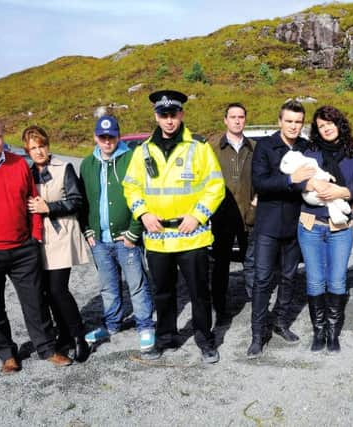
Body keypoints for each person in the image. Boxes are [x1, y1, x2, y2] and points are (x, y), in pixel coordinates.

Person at [123, 90, 225, 364]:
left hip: (192, 236)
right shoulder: (142, 150)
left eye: (173, 114)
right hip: (158, 238)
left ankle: (205, 340)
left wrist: (198, 215)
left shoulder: (199, 147)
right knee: (163, 293)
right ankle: (166, 337)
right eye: (163, 115)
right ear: (156, 117)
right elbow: (131, 187)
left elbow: (215, 186)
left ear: (181, 114)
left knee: (199, 294)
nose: (169, 120)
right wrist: (143, 213)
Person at [0, 117, 72, 373]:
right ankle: (7, 354)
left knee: (35, 301)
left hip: (22, 249)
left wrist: (35, 236)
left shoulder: (19, 165)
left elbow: (32, 200)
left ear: (3, 136)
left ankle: (47, 348)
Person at [79, 116, 155, 353]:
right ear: (95, 138)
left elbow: (143, 195)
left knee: (137, 284)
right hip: (100, 241)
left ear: (118, 136)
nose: (107, 141)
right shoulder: (87, 164)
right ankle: (112, 324)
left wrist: (135, 231)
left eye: (111, 136)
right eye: (102, 137)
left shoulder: (131, 159)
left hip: (127, 239)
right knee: (108, 287)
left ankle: (145, 325)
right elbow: (83, 201)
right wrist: (87, 230)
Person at [247, 99, 316, 358]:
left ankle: (280, 322)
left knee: (289, 278)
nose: (293, 126)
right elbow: (260, 183)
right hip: (268, 225)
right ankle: (257, 334)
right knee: (263, 280)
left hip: (295, 225)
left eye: (298, 122)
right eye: (289, 121)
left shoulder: (306, 147)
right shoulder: (265, 147)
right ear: (280, 121)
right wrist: (291, 179)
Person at [297, 106, 353, 352]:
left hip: (341, 227)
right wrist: (310, 182)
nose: (326, 128)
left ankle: (333, 333)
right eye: (321, 125)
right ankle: (319, 332)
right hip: (310, 225)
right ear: (316, 130)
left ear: (339, 124)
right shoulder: (309, 153)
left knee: (337, 281)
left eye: (330, 123)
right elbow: (295, 181)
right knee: (315, 281)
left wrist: (341, 192)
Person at [23, 125, 91, 362]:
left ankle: (79, 336)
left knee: (58, 289)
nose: (39, 151)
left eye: (42, 145)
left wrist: (49, 208)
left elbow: (76, 201)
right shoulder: (27, 172)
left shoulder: (64, 167)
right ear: (27, 151)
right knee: (47, 293)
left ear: (48, 145)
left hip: (62, 235)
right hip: (39, 239)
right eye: (33, 148)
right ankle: (63, 336)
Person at [209, 103, 257, 325]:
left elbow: (261, 179)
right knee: (221, 265)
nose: (237, 120)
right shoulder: (212, 147)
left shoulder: (254, 147)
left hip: (249, 216)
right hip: (222, 217)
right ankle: (220, 308)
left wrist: (257, 201)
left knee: (252, 263)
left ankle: (258, 307)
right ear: (225, 120)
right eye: (233, 117)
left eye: (241, 117)